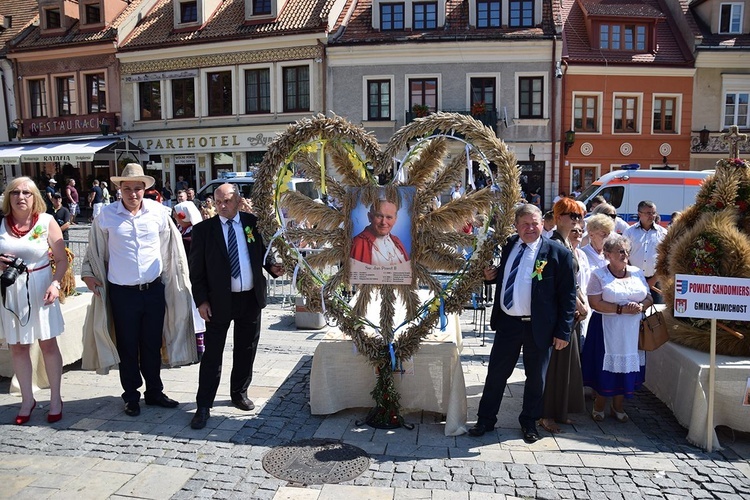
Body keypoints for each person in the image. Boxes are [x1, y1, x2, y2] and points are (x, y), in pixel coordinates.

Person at [81, 163, 197, 417]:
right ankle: (131, 395)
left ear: (145, 189)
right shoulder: (106, 217)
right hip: (122, 293)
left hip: (154, 290)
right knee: (128, 345)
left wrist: (176, 282)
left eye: (137, 188)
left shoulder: (158, 213)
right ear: (119, 190)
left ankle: (154, 391)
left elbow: (171, 252)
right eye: (127, 188)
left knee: (152, 343)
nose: (132, 193)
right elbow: (94, 251)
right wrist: (89, 276)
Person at [469, 204, 576, 443]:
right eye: (525, 224)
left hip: (540, 327)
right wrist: (490, 279)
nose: (530, 228)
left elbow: (568, 296)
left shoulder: (558, 254)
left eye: (535, 223)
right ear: (516, 226)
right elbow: (506, 277)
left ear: (542, 224)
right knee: (496, 374)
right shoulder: (509, 245)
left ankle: (529, 422)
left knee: (536, 378)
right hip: (508, 323)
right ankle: (485, 419)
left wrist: (563, 331)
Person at [188, 183, 284, 429]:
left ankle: (239, 393)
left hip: (249, 298)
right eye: (217, 201)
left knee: (246, 348)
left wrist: (272, 266)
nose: (221, 206)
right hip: (218, 301)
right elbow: (196, 272)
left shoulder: (252, 223)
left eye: (227, 201)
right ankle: (203, 405)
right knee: (212, 354)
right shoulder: (203, 231)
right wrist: (201, 301)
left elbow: (263, 253)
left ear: (238, 200)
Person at [0, 177, 67, 424]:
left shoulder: (47, 222)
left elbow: (61, 260)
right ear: (8, 196)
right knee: (18, 347)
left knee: (48, 344)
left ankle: (56, 398)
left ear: (34, 196)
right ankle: (27, 399)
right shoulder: (1, 223)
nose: (20, 197)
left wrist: (55, 283)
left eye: (26, 193)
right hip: (11, 292)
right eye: (15, 192)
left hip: (41, 289)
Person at [582, 234, 652, 422]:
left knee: (626, 369)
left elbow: (649, 297)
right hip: (607, 329)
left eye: (626, 251)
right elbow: (595, 302)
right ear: (607, 254)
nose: (624, 254)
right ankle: (599, 404)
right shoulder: (599, 275)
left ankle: (618, 406)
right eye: (620, 251)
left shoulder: (636, 272)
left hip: (631, 330)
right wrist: (621, 309)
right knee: (605, 367)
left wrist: (640, 306)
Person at [538, 198, 587, 434]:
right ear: (558, 218)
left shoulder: (567, 243)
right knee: (554, 366)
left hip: (570, 313)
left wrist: (580, 302)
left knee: (565, 366)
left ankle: (560, 411)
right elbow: (558, 284)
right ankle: (546, 414)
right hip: (559, 315)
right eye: (572, 215)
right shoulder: (554, 244)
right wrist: (579, 303)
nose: (577, 220)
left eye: (579, 216)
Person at [173, 201, 207, 362]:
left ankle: (199, 349)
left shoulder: (194, 233)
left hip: (194, 277)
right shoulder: (181, 230)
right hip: (181, 278)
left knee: (196, 313)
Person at [623, 200, 667, 303]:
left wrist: (653, 280)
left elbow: (665, 258)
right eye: (648, 213)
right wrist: (632, 275)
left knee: (657, 314)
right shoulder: (629, 232)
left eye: (653, 213)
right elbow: (624, 255)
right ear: (639, 214)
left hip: (656, 281)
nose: (652, 216)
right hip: (633, 280)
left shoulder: (663, 233)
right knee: (634, 310)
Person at [350, 197, 409, 265]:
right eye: (379, 216)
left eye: (389, 217)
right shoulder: (357, 243)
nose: (383, 222)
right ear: (370, 217)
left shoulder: (397, 241)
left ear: (395, 219)